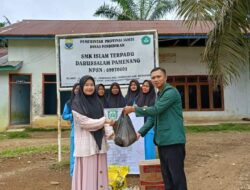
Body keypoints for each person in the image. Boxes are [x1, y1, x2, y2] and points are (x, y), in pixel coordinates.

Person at [123, 67, 187, 190]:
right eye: (153, 78)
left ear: (165, 77)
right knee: (167, 176)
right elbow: (153, 117)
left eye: (159, 76)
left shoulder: (171, 92)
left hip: (173, 141)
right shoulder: (159, 94)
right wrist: (140, 133)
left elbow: (156, 110)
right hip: (163, 141)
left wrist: (134, 109)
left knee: (177, 177)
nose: (156, 79)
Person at [71, 75, 115, 190]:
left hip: (100, 143)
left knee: (100, 173)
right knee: (88, 175)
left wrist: (111, 132)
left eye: (91, 85)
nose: (89, 87)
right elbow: (85, 123)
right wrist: (104, 121)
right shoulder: (77, 103)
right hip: (86, 145)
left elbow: (103, 119)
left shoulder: (98, 102)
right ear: (81, 87)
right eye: (86, 85)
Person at [135, 80, 156, 160]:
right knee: (139, 147)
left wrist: (146, 109)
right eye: (143, 85)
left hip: (149, 126)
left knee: (149, 147)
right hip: (138, 125)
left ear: (150, 88)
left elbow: (154, 111)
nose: (145, 87)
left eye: (147, 86)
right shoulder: (138, 97)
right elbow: (134, 111)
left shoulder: (154, 98)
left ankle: (150, 165)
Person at [62, 83, 80, 177]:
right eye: (76, 89)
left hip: (86, 130)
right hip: (75, 130)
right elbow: (64, 116)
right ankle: (73, 173)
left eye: (79, 89)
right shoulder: (69, 103)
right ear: (73, 90)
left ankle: (83, 172)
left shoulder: (86, 102)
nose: (77, 90)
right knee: (74, 152)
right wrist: (72, 115)